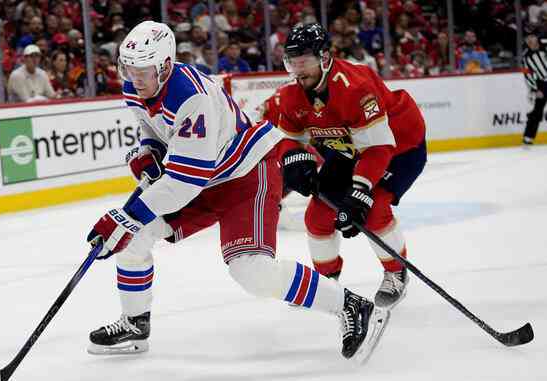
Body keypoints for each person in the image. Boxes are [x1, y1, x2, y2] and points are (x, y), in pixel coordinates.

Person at [85, 21, 390, 362]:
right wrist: (150, 150)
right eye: (128, 68)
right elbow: (152, 126)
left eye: (142, 70)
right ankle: (135, 323)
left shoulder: (192, 98)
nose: (134, 78)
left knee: (252, 272)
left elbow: (186, 182)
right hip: (205, 175)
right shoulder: (136, 86)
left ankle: (351, 305)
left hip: (246, 173)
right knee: (134, 237)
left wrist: (125, 216)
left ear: (165, 66)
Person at [276, 23, 426, 309]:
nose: (298, 69)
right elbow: (289, 138)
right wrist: (294, 159)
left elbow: (379, 147)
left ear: (324, 57)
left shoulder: (356, 88)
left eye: (304, 61)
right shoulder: (291, 95)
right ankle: (325, 281)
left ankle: (397, 273)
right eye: (292, 62)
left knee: (374, 208)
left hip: (399, 147)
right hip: (350, 151)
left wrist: (361, 189)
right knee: (318, 216)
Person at [522, 28, 547, 148]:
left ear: (536, 38)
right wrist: (535, 89)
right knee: (537, 111)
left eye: (532, 37)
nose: (530, 40)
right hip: (542, 84)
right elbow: (527, 74)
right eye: (527, 39)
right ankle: (528, 137)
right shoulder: (526, 57)